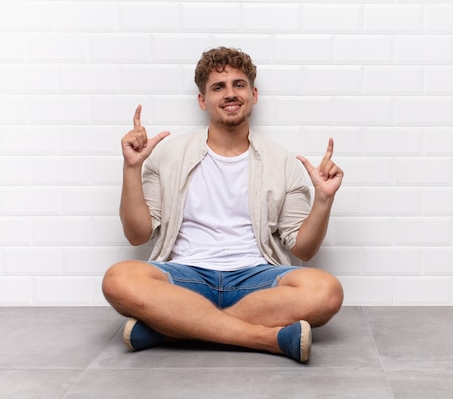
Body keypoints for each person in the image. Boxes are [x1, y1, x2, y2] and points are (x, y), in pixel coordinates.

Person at [102, 47, 344, 363]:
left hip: (256, 278)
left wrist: (324, 199)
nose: (230, 93)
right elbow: (137, 235)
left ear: (253, 94)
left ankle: (171, 328)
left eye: (238, 84)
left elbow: (304, 250)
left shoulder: (281, 161)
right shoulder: (168, 155)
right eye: (218, 87)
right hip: (185, 276)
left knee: (327, 291)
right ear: (203, 100)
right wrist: (131, 168)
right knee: (117, 279)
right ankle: (264, 338)